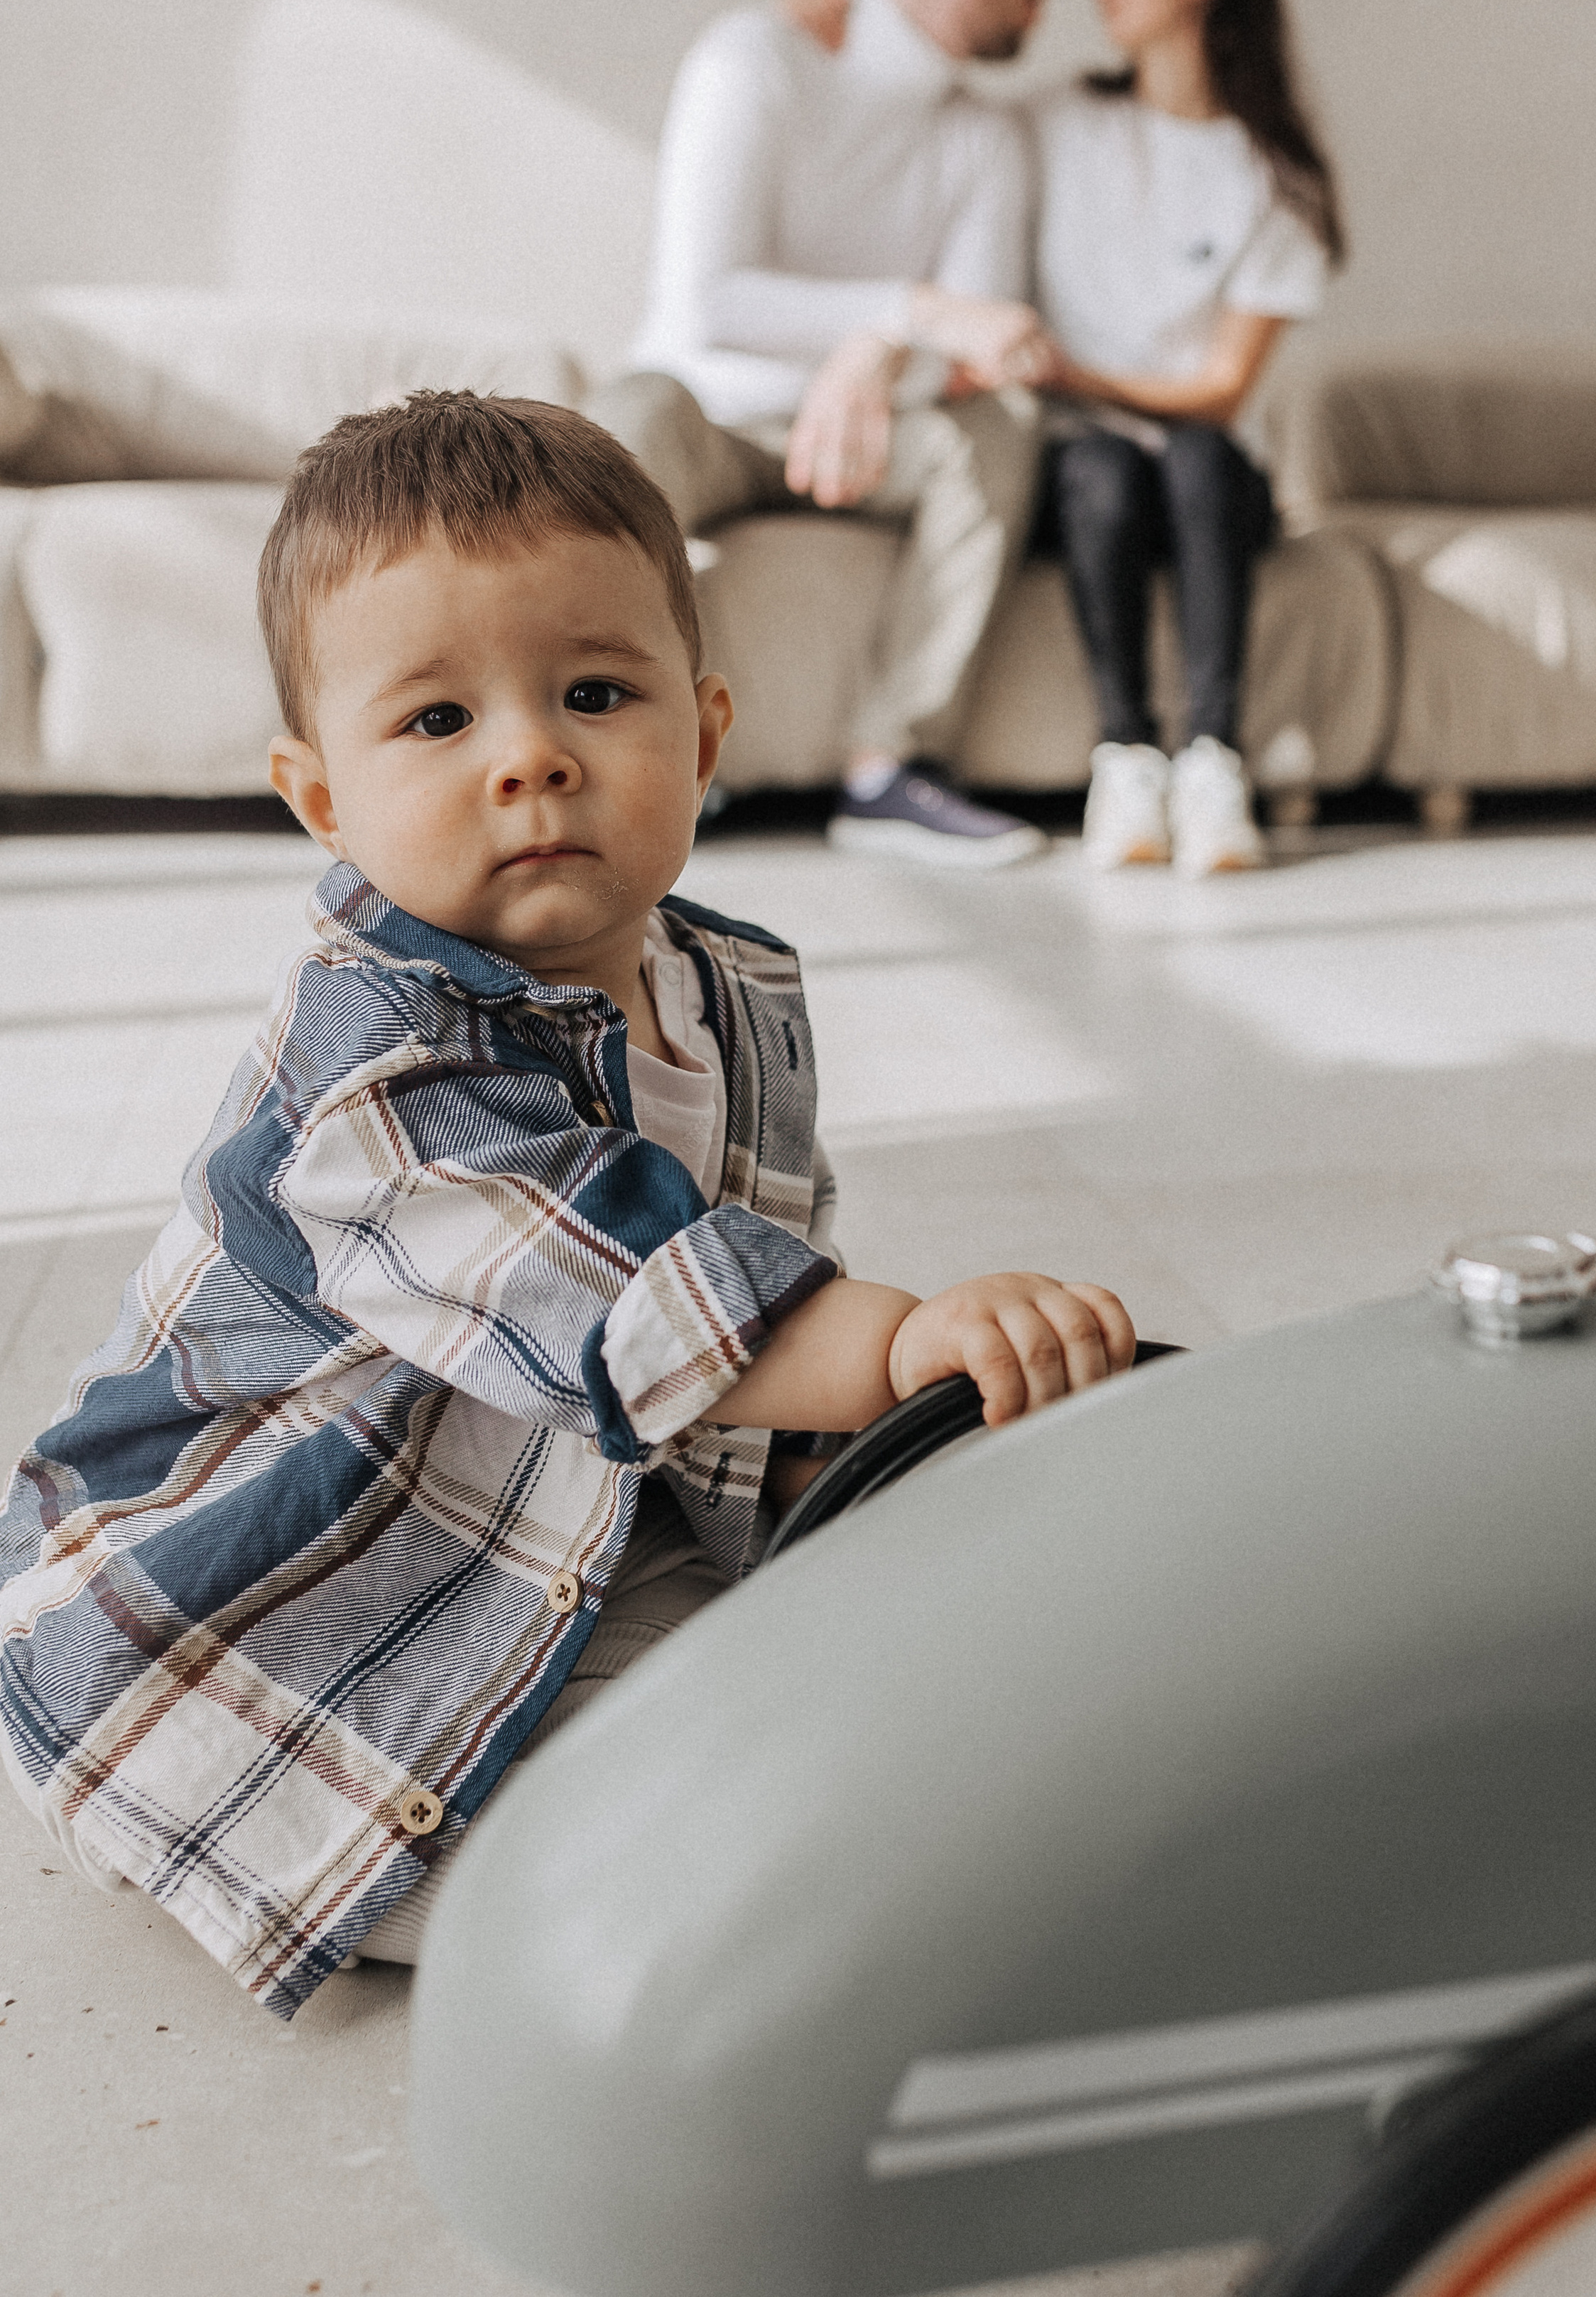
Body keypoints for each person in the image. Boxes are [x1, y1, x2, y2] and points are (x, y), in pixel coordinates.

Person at [0, 392, 1136, 2012]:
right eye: (436, 723)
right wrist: (906, 1342)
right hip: (266, 1607)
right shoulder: (377, 1081)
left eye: (593, 694)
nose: (531, 754)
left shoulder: (718, 984)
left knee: (868, 1655)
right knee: (651, 1854)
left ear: (706, 735)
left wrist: (853, 1432)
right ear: (320, 799)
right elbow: (649, 1309)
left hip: (534, 1484)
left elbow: (741, 1297)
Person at [786, 0, 1344, 877]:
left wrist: (1068, 367)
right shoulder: (1056, 123)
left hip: (1204, 479)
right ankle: (1126, 758)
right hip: (1080, 474)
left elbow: (1221, 390)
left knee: (1201, 457)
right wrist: (830, 39)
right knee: (1101, 470)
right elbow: (916, 101)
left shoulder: (1276, 178)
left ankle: (1213, 763)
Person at [602, 0, 1055, 867]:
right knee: (625, 423)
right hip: (708, 411)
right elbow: (707, 300)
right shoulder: (755, 59)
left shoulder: (985, 141)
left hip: (873, 437)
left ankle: (893, 768)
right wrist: (898, 319)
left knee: (1003, 430)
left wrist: (878, 357)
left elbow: (978, 344)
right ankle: (642, 771)